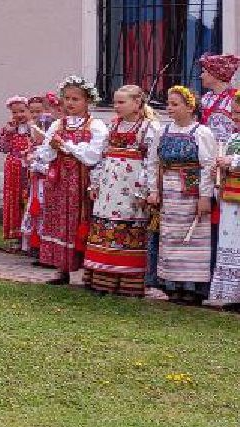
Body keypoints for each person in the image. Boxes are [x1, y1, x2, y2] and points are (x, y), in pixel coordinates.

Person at [78, 85, 158, 298]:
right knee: (104, 226)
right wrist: (94, 184)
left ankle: (128, 284)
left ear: (137, 104)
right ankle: (101, 279)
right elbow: (102, 157)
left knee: (130, 227)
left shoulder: (148, 128)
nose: (116, 106)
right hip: (108, 188)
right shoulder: (112, 126)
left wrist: (145, 191)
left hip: (131, 188)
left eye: (122, 102)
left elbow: (152, 162)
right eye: (115, 102)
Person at [32, 78, 107, 284]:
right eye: (67, 99)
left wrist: (66, 145)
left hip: (82, 180)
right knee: (58, 220)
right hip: (59, 180)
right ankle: (61, 268)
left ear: (87, 101)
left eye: (76, 99)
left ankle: (88, 270)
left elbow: (92, 156)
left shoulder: (96, 126)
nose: (70, 103)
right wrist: (53, 148)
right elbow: (45, 155)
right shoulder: (58, 124)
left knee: (80, 221)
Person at [153, 85, 219, 305]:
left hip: (192, 189)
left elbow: (208, 165)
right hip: (170, 190)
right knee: (170, 236)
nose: (169, 108)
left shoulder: (201, 133)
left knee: (193, 238)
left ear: (190, 108)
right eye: (168, 104)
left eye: (175, 104)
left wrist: (204, 197)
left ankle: (192, 288)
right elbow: (154, 162)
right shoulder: (163, 131)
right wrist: (154, 190)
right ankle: (172, 285)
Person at [208, 95, 240, 310]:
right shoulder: (233, 137)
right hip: (231, 197)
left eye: (239, 113)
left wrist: (233, 161)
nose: (236, 117)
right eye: (235, 113)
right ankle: (233, 295)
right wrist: (218, 169)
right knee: (230, 243)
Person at [0, 96, 37, 244]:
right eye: (15, 112)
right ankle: (15, 235)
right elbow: (2, 148)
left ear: (28, 110)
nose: (19, 115)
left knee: (26, 198)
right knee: (14, 198)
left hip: (29, 167)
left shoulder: (34, 128)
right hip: (13, 168)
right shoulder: (9, 128)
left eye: (22, 111)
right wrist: (8, 133)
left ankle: (29, 237)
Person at [20, 93, 54, 258]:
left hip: (46, 184)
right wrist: (29, 160)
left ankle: (43, 245)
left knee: (44, 211)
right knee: (34, 211)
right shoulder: (34, 143)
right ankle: (33, 244)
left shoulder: (49, 145)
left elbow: (49, 163)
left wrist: (39, 166)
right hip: (35, 183)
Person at [200, 54, 239, 141]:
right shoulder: (205, 99)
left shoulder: (235, 98)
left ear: (215, 74)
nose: (201, 76)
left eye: (204, 72)